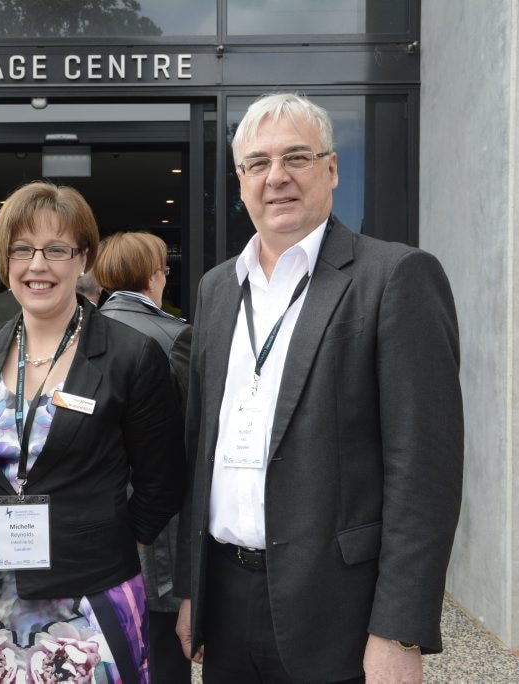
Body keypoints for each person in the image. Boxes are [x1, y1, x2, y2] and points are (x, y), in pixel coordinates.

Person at [174, 93, 463, 682]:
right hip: (225, 602)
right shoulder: (216, 290)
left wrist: (400, 630)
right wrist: (191, 590)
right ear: (241, 181)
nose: (276, 177)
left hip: (338, 612)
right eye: (258, 164)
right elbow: (199, 449)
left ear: (331, 169)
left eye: (296, 158)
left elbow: (424, 474)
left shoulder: (395, 278)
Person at [0, 181, 184, 683]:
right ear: (5, 263)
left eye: (56, 249)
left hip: (86, 600)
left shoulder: (131, 355)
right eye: (22, 249)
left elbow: (163, 479)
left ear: (83, 258)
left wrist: (112, 540)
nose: (37, 265)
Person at [95, 230, 192, 683]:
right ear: (155, 276)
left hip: (95, 521)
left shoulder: (73, 335)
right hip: (159, 530)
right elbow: (194, 438)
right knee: (162, 653)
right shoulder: (176, 338)